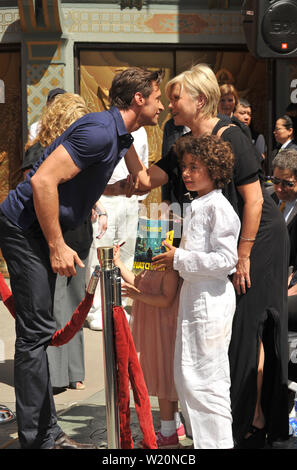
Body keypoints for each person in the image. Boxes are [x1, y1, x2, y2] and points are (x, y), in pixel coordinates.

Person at [121, 63, 290, 448]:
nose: (169, 106)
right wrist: (124, 136)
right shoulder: (186, 142)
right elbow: (147, 180)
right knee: (230, 341)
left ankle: (250, 421)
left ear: (200, 99)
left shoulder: (233, 134)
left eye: (175, 98)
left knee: (248, 330)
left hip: (256, 240)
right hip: (226, 244)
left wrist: (243, 255)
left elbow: (253, 200)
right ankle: (240, 421)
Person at [0, 66, 164, 449]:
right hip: (26, 230)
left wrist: (117, 185)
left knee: (39, 331)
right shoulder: (100, 131)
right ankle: (38, 438)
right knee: (35, 333)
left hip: (46, 229)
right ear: (138, 99)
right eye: (157, 98)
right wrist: (57, 245)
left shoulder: (122, 134)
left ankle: (48, 432)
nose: (161, 106)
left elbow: (138, 183)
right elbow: (42, 181)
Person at [153, 134, 240, 449]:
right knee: (188, 377)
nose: (186, 173)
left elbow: (227, 260)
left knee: (207, 381)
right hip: (194, 297)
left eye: (195, 167)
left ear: (214, 170)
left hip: (210, 300)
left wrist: (179, 257)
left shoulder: (219, 207)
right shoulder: (196, 205)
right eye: (184, 167)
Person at [23, 92, 93, 392]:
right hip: (51, 233)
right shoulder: (38, 147)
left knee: (76, 301)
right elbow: (32, 186)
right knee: (54, 303)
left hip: (79, 232)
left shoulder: (83, 145)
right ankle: (55, 373)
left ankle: (74, 371)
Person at [113, 243, 185, 449]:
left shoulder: (170, 268)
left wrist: (136, 296)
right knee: (161, 374)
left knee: (163, 375)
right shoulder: (151, 263)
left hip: (163, 328)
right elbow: (139, 282)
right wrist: (118, 262)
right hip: (153, 326)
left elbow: (166, 299)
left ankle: (168, 430)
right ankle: (174, 424)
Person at [85, 126, 149, 331]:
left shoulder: (141, 133)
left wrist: (139, 198)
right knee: (100, 253)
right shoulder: (104, 129)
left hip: (130, 200)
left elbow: (143, 164)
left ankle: (117, 306)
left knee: (126, 254)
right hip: (105, 197)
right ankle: (96, 309)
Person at [269, 149, 297, 389]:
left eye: (287, 183)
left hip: (293, 283)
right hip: (273, 278)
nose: (279, 188)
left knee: (276, 312)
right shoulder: (270, 201)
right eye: (275, 181)